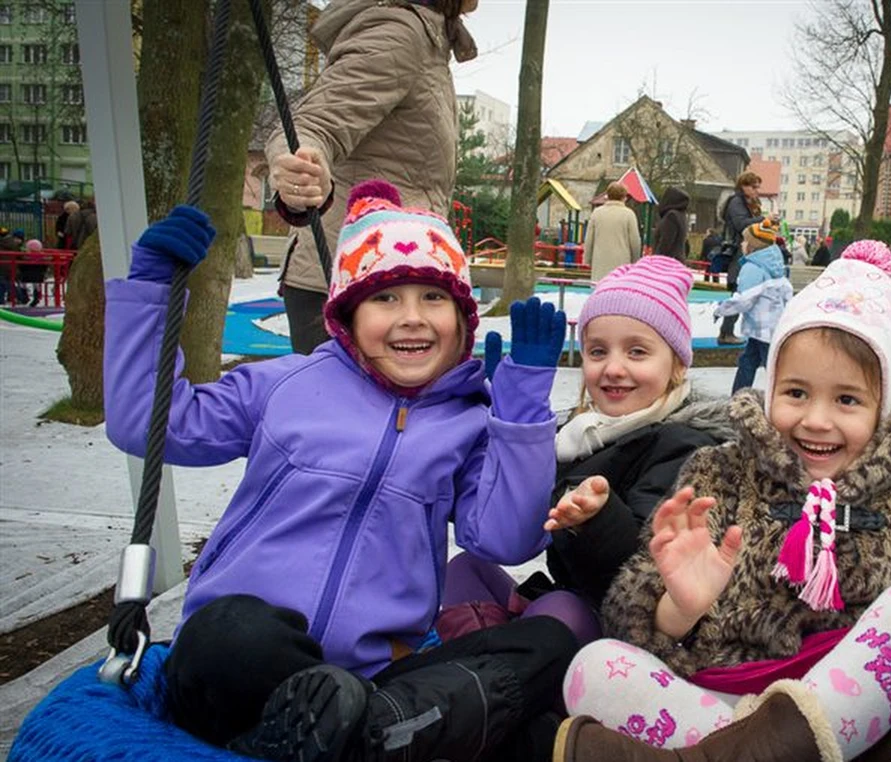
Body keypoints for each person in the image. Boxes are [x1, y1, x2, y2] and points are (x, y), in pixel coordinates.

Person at [103, 180, 577, 762]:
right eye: (386, 299)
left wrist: (520, 409)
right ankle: (361, 735)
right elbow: (153, 425)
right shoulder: (287, 384)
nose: (412, 320)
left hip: (376, 676)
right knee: (227, 632)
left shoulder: (467, 419)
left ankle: (357, 728)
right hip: (245, 660)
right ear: (347, 315)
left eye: (433, 298)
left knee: (548, 643)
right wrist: (152, 288)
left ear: (462, 318)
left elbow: (505, 538)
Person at [554, 240, 891, 762]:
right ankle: (762, 748)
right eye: (796, 393)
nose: (815, 419)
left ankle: (716, 754)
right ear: (770, 393)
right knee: (593, 666)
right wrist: (679, 608)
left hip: (847, 703)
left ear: (883, 409)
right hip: (716, 692)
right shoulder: (719, 473)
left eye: (847, 400)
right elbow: (629, 604)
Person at [440, 256, 733, 644]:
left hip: (633, 630)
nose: (613, 367)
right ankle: (491, 665)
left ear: (677, 364)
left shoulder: (687, 444)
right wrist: (511, 418)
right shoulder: (580, 434)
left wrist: (597, 517)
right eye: (598, 352)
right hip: (571, 602)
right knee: (466, 569)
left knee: (558, 609)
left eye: (637, 352)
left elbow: (653, 571)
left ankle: (491, 671)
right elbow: (518, 529)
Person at [266, 0, 479, 355]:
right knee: (346, 410)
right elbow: (311, 124)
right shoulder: (398, 33)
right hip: (353, 285)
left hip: (389, 280)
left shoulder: (430, 39)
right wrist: (303, 166)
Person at [716, 221, 793, 394]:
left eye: (744, 241)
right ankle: (739, 395)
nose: (742, 244)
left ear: (752, 246)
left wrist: (721, 309)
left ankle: (781, 396)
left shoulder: (752, 268)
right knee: (749, 362)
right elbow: (787, 292)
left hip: (760, 327)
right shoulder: (776, 266)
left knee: (768, 365)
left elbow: (745, 299)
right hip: (770, 327)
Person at [716, 171, 771, 345]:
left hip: (745, 252)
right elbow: (741, 225)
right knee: (739, 292)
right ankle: (726, 333)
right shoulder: (736, 202)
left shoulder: (747, 203)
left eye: (757, 187)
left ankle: (728, 331)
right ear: (743, 186)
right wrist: (763, 220)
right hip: (738, 253)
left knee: (743, 292)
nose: (756, 190)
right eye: (753, 187)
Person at [584, 182, 643, 279]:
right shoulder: (629, 214)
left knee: (599, 286)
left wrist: (588, 259)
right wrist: (635, 261)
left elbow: (589, 238)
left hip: (600, 260)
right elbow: (635, 241)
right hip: (622, 262)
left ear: (607, 196)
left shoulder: (597, 213)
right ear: (624, 197)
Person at [652, 186, 691, 262]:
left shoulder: (671, 216)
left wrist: (656, 260)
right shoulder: (681, 216)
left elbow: (666, 242)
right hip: (676, 261)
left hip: (666, 263)